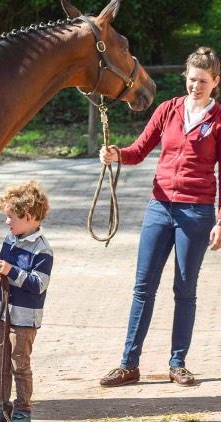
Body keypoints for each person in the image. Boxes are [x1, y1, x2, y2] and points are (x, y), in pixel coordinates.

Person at [99, 47, 221, 388]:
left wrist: (220, 220)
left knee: (185, 289)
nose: (196, 86)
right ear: (185, 77)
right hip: (159, 207)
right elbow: (139, 150)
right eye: (192, 79)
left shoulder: (219, 119)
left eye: (203, 81)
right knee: (143, 287)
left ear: (216, 83)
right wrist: (116, 154)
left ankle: (178, 363)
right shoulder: (168, 110)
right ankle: (128, 364)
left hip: (196, 212)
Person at [0, 181, 53, 422]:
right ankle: (0, 407)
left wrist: (12, 272)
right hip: (2, 313)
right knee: (0, 364)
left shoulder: (42, 250)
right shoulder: (10, 240)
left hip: (24, 318)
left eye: (11, 217)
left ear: (28, 216)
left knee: (20, 365)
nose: (7, 222)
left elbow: (38, 284)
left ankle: (22, 409)